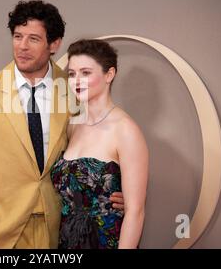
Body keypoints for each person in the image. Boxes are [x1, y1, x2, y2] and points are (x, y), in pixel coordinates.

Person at [0, 0, 124, 249]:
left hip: (60, 229)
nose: (22, 46)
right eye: (17, 36)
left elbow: (103, 142)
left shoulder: (76, 91)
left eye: (33, 39)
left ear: (54, 44)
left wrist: (113, 194)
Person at [51, 39, 148, 249]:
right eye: (72, 74)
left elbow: (135, 211)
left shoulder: (125, 130)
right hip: (67, 242)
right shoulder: (71, 125)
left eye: (85, 73)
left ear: (109, 75)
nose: (77, 80)